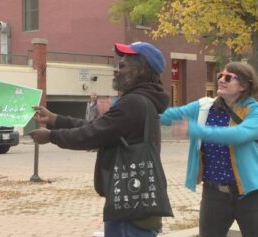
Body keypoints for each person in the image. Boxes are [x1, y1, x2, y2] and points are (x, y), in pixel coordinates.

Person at [30, 42, 170, 237]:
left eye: (122, 66)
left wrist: (52, 136)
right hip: (135, 201)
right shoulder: (143, 100)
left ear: (140, 71)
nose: (116, 71)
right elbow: (101, 126)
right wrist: (56, 120)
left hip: (128, 208)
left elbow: (93, 134)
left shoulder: (134, 102)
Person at [160, 62, 258, 237]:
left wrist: (193, 129)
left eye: (228, 77)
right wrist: (132, 108)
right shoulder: (204, 107)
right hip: (214, 195)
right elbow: (168, 116)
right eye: (220, 75)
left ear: (243, 85)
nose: (221, 80)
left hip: (252, 195)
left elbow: (237, 135)